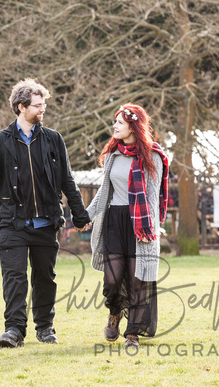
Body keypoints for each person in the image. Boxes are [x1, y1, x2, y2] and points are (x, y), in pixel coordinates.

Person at [0, 78, 91, 348]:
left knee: (45, 278)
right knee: (14, 278)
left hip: (46, 223)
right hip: (12, 225)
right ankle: (14, 330)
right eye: (38, 106)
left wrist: (80, 215)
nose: (43, 110)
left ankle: (45, 327)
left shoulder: (53, 139)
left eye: (44, 105)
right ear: (21, 107)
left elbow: (67, 180)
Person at [85, 103, 169, 348]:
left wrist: (148, 229)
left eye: (119, 123)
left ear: (133, 126)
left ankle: (133, 332)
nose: (114, 126)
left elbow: (152, 197)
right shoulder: (113, 154)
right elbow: (104, 192)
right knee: (112, 279)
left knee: (136, 280)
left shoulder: (153, 156)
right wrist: (85, 216)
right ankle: (114, 313)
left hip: (139, 224)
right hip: (114, 221)